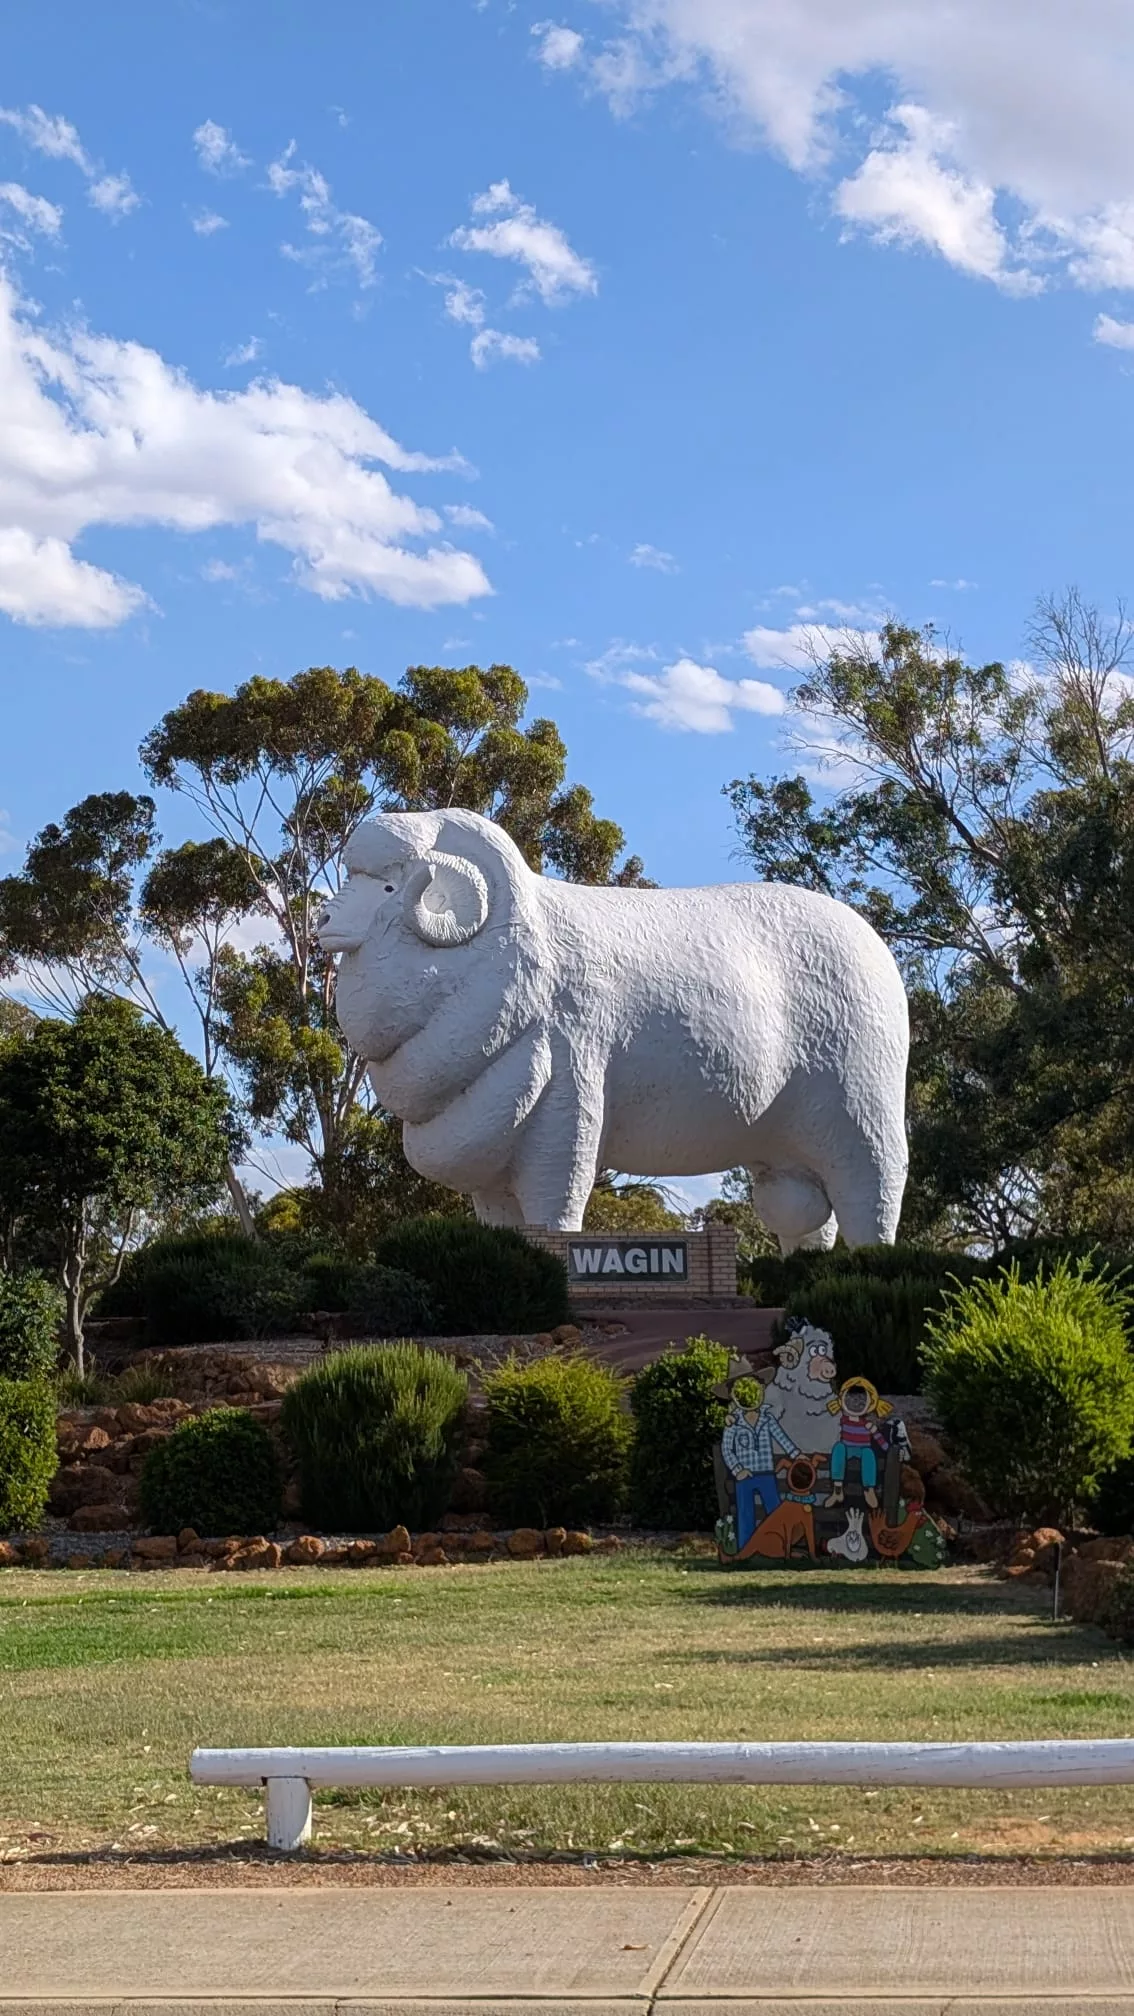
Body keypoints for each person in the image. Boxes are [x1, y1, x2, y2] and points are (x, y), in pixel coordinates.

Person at [720, 1382, 801, 1550]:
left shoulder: (767, 1418)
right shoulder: (733, 1422)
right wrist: (738, 1470)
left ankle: (779, 1546)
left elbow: (781, 1437)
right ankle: (746, 1549)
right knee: (745, 1513)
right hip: (745, 1475)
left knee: (774, 1510)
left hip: (766, 1472)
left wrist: (796, 1454)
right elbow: (726, 1448)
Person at [824, 1376, 892, 1509]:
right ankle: (837, 1489)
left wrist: (889, 1449)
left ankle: (868, 1489)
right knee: (838, 1448)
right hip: (847, 1447)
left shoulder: (867, 1424)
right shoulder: (842, 1420)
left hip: (862, 1449)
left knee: (868, 1454)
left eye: (861, 1400)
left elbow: (879, 1438)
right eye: (850, 1398)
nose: (855, 1403)